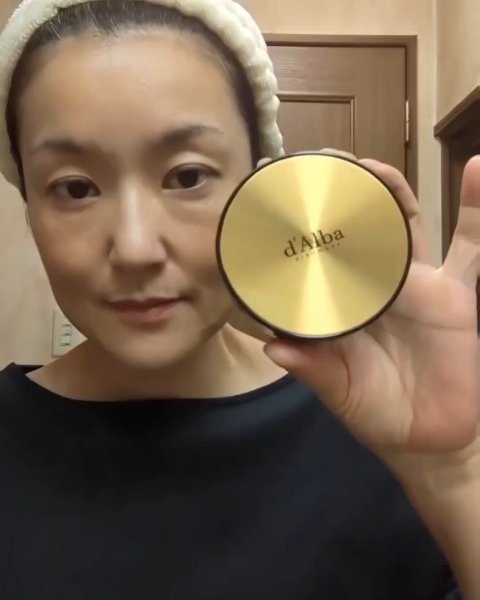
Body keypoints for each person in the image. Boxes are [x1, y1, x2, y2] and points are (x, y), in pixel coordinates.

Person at [0, 0, 478, 598]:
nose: (135, 248)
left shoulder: (384, 430)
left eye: (187, 176)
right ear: (30, 207)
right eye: (75, 188)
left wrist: (454, 473)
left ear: (258, 183)